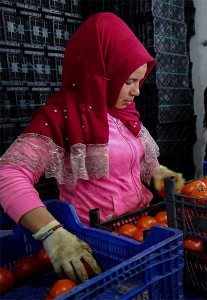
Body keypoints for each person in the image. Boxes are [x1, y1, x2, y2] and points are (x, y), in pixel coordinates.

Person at [0, 13, 184, 283]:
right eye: (129, 81)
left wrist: (157, 173)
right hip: (96, 243)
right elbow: (8, 174)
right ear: (102, 74)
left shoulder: (125, 115)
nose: (137, 92)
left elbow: (138, 163)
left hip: (137, 232)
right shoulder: (61, 116)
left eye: (139, 81)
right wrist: (51, 233)